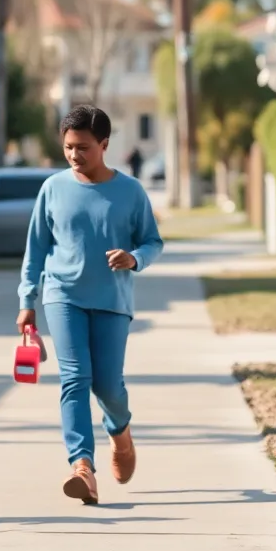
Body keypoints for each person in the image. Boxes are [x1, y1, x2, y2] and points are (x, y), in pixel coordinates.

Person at [17, 105, 163, 505]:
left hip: (112, 301)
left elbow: (153, 241)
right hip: (62, 296)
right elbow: (36, 250)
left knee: (108, 386)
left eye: (83, 147)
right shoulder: (53, 189)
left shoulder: (130, 191)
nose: (74, 155)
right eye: (67, 147)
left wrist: (135, 258)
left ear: (104, 145)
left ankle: (122, 434)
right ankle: (82, 466)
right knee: (75, 378)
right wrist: (26, 300)